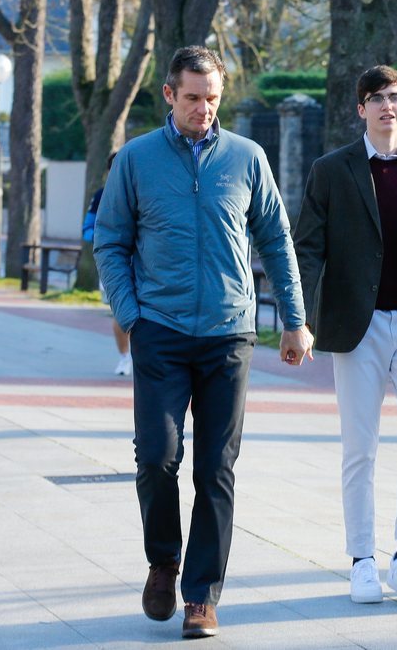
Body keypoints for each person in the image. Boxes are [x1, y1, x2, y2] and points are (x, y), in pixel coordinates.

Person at [93, 46, 314, 638]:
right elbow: (110, 241)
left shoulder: (247, 157)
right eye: (192, 97)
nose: (203, 109)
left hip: (228, 336)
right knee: (156, 460)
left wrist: (294, 319)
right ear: (169, 95)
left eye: (212, 98)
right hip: (159, 331)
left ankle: (202, 595)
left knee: (217, 468)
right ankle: (163, 560)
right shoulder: (136, 159)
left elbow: (277, 240)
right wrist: (131, 314)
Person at [293, 65, 397, 609]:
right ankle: (362, 559)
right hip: (356, 327)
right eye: (377, 98)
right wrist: (305, 318)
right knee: (360, 446)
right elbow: (307, 248)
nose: (388, 105)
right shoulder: (330, 170)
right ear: (360, 108)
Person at [82, 152, 131, 375]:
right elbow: (87, 229)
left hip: (148, 265)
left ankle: (144, 358)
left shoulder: (146, 190)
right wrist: (107, 239)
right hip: (116, 264)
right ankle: (125, 356)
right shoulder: (102, 195)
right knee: (121, 313)